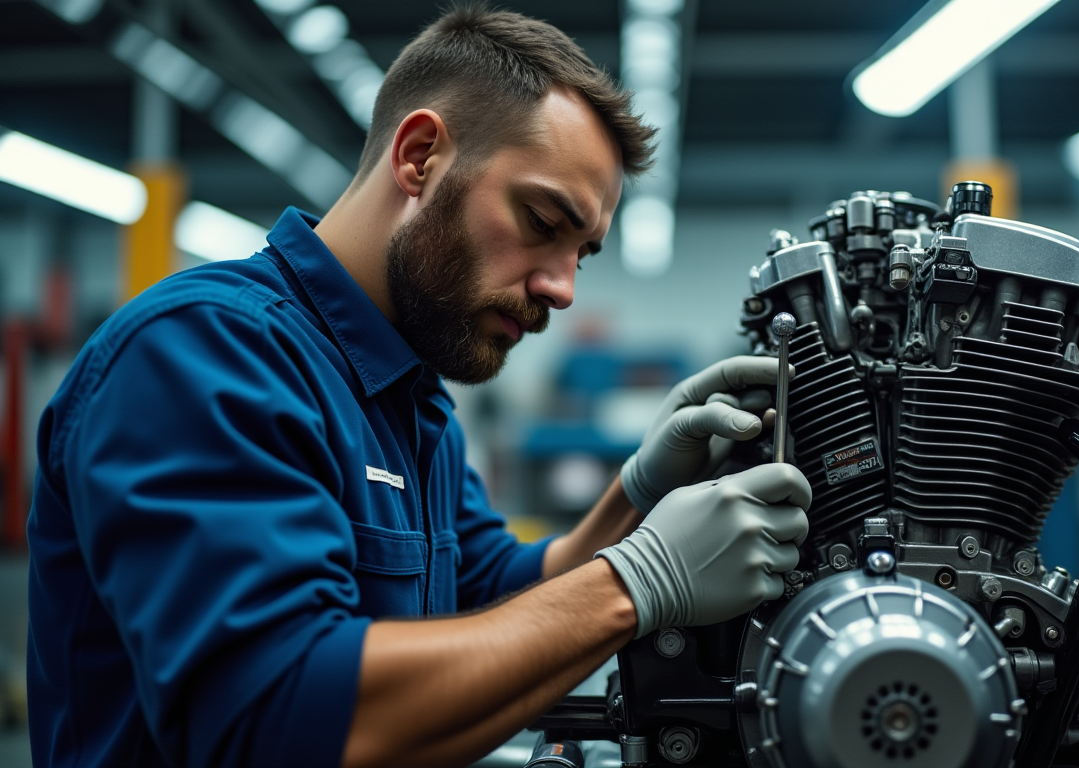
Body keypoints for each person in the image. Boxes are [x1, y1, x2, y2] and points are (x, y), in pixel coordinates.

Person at [25, 6, 811, 768]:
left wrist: (635, 497)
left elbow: (489, 598)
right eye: (542, 220)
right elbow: (275, 715)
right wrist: (643, 581)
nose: (563, 288)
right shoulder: (200, 353)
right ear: (420, 157)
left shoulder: (411, 395)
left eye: (584, 252)